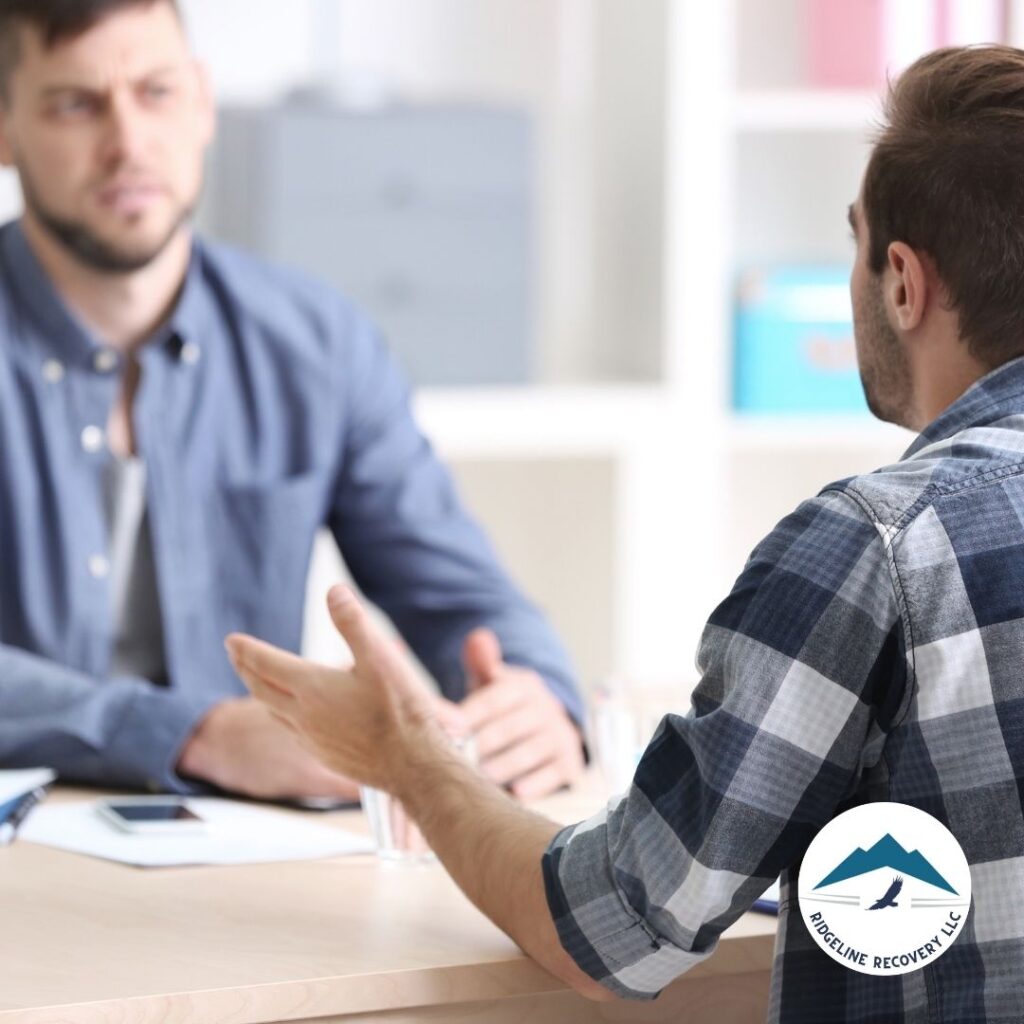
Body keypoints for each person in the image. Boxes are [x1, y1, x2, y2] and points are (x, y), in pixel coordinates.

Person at [227, 45, 1024, 1023]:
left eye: (853, 243)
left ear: (902, 281)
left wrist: (406, 756)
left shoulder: (874, 548)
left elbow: (616, 925)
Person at [0, 0, 585, 803]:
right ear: (5, 127)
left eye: (157, 93)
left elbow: (460, 592)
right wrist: (192, 733)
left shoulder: (314, 341)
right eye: (75, 103)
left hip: (249, 857)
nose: (128, 143)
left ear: (203, 102)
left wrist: (536, 694)